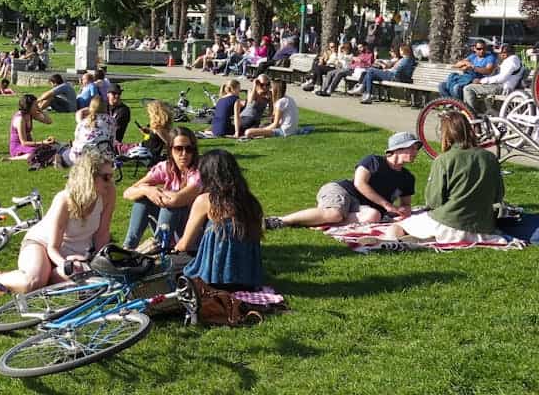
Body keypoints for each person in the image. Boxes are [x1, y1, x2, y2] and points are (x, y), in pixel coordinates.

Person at [0, 147, 116, 296]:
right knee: (34, 283)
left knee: (84, 281)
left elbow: (103, 233)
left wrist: (99, 260)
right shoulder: (65, 199)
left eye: (112, 176)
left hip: (77, 252)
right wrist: (64, 264)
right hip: (42, 244)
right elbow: (53, 247)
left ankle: (42, 274)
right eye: (106, 177)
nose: (111, 181)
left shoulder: (108, 193)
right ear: (89, 177)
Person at [387, 112, 504, 244]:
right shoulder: (490, 157)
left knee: (397, 227)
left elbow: (433, 201)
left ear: (445, 134)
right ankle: (426, 238)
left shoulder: (444, 159)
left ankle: (396, 243)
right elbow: (498, 196)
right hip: (484, 226)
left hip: (450, 221)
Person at [265, 132, 420, 229]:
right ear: (397, 149)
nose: (415, 152)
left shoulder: (407, 177)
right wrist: (386, 204)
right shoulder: (374, 161)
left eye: (416, 148)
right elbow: (360, 183)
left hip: (363, 208)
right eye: (411, 148)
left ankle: (318, 222)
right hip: (343, 191)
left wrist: (404, 210)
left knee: (373, 216)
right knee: (335, 214)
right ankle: (280, 221)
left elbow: (405, 205)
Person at [174, 149, 265, 290]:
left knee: (172, 263)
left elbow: (185, 244)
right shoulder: (251, 202)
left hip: (214, 278)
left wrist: (173, 249)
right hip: (248, 278)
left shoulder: (206, 201)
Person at [122, 126, 201, 248]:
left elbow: (176, 200)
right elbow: (127, 192)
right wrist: (146, 190)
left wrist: (157, 192)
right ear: (170, 149)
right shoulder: (166, 167)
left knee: (171, 205)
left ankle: (160, 249)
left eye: (189, 149)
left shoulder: (199, 172)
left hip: (192, 235)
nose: (184, 154)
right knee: (143, 199)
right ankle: (128, 248)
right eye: (178, 149)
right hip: (169, 227)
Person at [463, 43, 526, 115]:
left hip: (501, 88)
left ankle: (471, 115)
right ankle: (478, 113)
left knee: (468, 88)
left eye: (499, 53)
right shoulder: (513, 60)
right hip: (501, 86)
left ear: (504, 54)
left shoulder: (512, 60)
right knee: (472, 86)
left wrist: (482, 81)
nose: (498, 55)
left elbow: (501, 78)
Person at [351, 44, 417, 104]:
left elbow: (398, 71)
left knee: (370, 70)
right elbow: (397, 69)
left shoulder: (406, 60)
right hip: (393, 75)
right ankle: (366, 94)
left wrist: (387, 70)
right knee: (369, 73)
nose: (399, 52)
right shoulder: (405, 59)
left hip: (393, 76)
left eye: (400, 50)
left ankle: (363, 90)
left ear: (404, 51)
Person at [64, 96, 117, 165]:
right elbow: (112, 141)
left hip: (80, 156)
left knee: (65, 152)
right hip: (102, 156)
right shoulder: (111, 120)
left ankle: (58, 159)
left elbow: (76, 138)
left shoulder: (83, 122)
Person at [7, 93, 54, 159]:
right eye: (35, 105)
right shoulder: (20, 119)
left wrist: (41, 110)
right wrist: (43, 142)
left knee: (50, 148)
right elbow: (24, 142)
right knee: (37, 152)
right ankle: (12, 158)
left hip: (29, 145)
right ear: (28, 106)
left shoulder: (31, 114)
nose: (37, 106)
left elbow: (49, 121)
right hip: (18, 147)